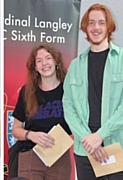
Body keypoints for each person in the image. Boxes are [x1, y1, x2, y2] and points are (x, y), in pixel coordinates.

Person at [62, 3, 123, 180]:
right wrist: (88, 138)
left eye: (101, 23)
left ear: (109, 26)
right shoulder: (75, 65)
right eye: (91, 23)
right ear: (85, 27)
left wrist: (100, 136)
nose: (96, 28)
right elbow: (68, 105)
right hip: (85, 148)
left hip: (115, 146)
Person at [10, 43, 72, 180]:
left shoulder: (69, 90)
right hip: (30, 155)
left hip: (59, 156)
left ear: (56, 61)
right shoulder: (27, 92)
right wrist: (31, 135)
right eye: (39, 61)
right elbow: (16, 129)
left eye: (48, 58)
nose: (44, 63)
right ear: (35, 68)